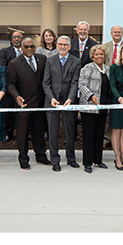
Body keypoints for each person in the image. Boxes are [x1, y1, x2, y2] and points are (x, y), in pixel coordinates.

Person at [7, 37, 50, 169]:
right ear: (21, 48)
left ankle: (41, 156)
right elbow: (10, 84)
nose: (30, 49)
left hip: (39, 104)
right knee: (22, 133)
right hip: (23, 104)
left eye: (32, 46)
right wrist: (17, 96)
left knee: (38, 131)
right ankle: (23, 158)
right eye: (26, 47)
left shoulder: (42, 59)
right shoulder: (14, 63)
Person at [42, 35, 81, 171]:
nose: (63, 47)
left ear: (69, 47)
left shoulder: (76, 61)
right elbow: (46, 83)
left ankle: (71, 158)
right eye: (60, 44)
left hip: (68, 102)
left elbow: (75, 82)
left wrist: (71, 98)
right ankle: (55, 161)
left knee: (70, 131)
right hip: (52, 101)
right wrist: (51, 98)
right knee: (53, 133)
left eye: (65, 45)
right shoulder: (50, 60)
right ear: (57, 46)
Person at [78, 45, 111, 173]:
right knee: (88, 136)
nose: (99, 56)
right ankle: (87, 163)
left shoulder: (107, 69)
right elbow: (81, 84)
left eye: (101, 54)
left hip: (102, 108)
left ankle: (98, 160)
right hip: (90, 108)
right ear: (92, 56)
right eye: (96, 54)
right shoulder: (87, 68)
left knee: (99, 135)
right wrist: (91, 96)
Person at [0, 30, 24, 141]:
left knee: (22, 112)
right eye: (14, 37)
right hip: (9, 87)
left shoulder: (26, 50)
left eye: (19, 37)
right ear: (11, 39)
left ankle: (22, 133)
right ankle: (7, 132)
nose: (16, 39)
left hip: (24, 87)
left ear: (22, 39)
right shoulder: (4, 52)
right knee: (8, 112)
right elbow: (3, 68)